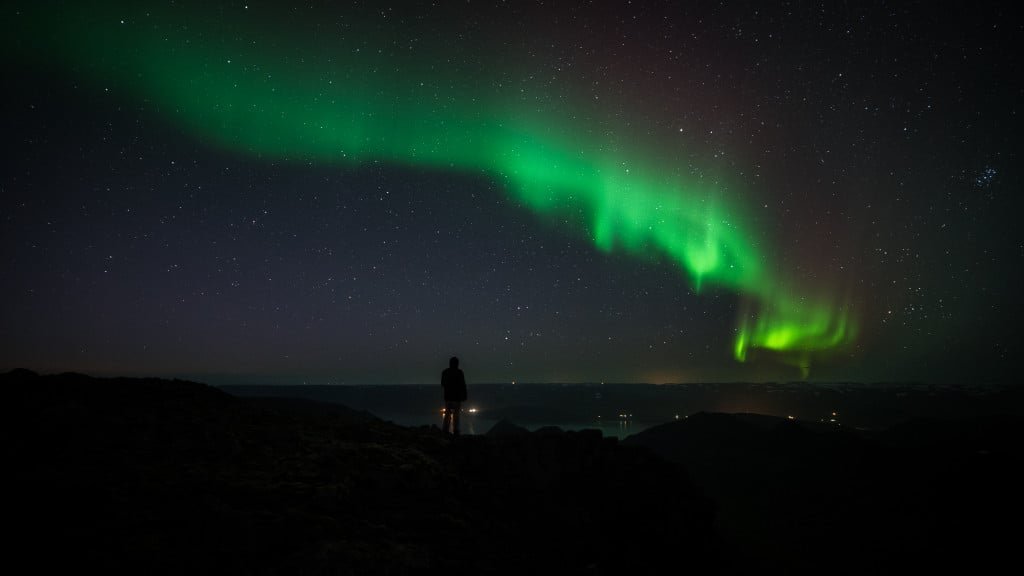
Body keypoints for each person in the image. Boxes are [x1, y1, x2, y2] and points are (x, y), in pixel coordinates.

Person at [440, 356, 467, 435]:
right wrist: (464, 395)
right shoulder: (459, 372)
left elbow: (442, 384)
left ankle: (445, 430)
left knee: (447, 413)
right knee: (456, 414)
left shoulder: (445, 372)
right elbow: (463, 385)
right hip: (457, 397)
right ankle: (456, 430)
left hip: (448, 397)